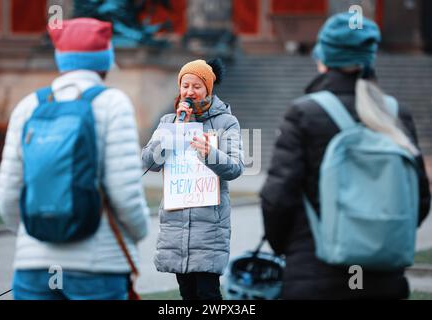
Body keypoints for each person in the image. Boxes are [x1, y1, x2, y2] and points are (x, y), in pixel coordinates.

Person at [260, 12, 431, 300]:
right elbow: (420, 198)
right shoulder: (395, 113)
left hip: (314, 271)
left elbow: (278, 197)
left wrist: (285, 247)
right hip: (383, 278)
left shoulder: (304, 113)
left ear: (323, 58)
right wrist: (378, 238)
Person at [0, 18, 149, 300]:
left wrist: (34, 236)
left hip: (34, 266)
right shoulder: (113, 103)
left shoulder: (29, 105)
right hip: (98, 265)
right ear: (105, 59)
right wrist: (139, 233)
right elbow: (125, 194)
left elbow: (8, 195)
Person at [142, 59, 244, 300]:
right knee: (186, 294)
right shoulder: (169, 122)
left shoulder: (226, 122)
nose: (189, 92)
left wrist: (210, 153)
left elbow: (235, 167)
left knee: (208, 293)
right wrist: (175, 131)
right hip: (176, 226)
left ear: (208, 88)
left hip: (210, 226)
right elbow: (149, 161)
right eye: (185, 85)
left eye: (196, 86)